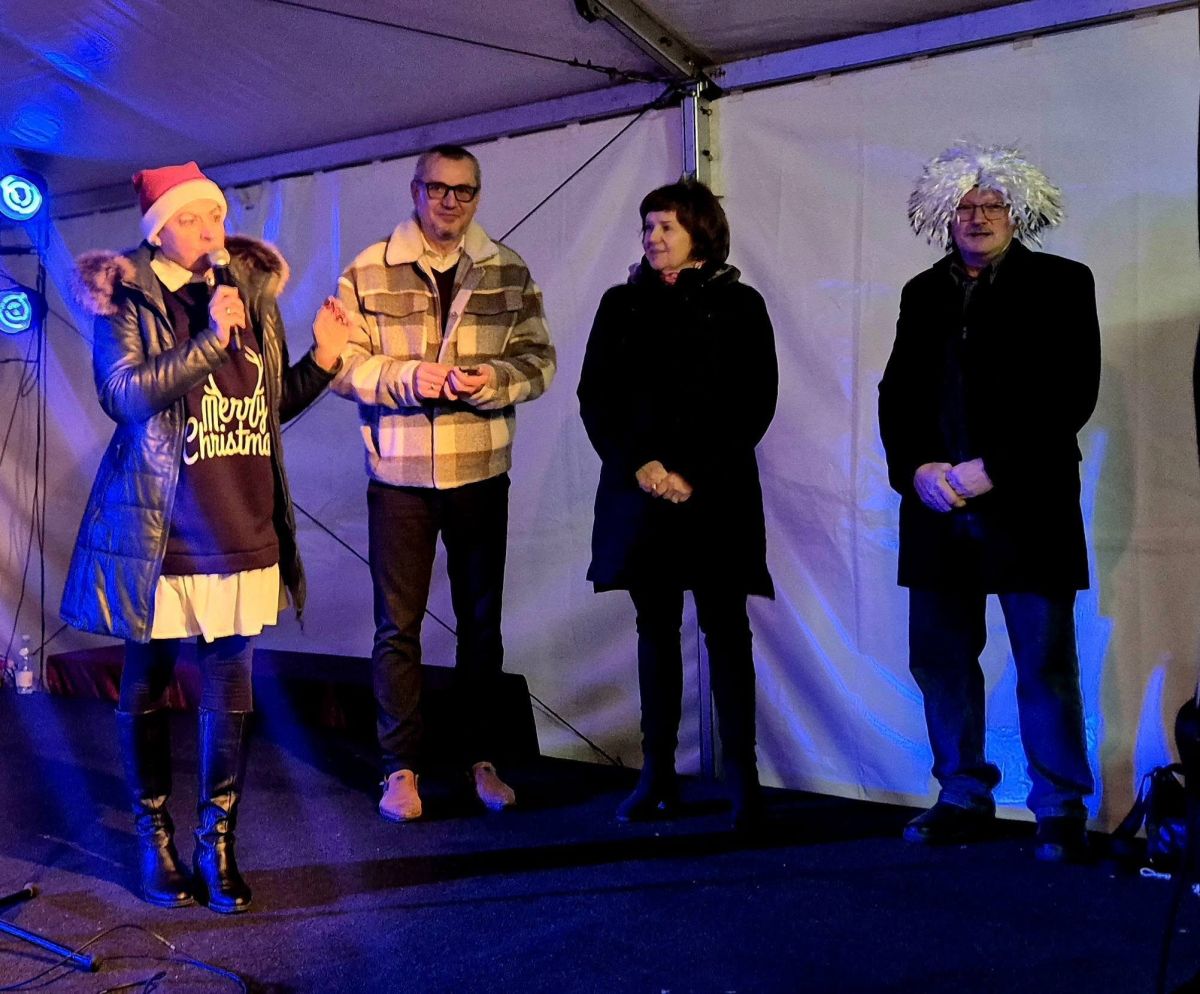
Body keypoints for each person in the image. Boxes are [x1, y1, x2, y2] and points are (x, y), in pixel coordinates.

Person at [62, 161, 350, 912]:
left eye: (216, 214)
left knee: (230, 684)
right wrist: (212, 340)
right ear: (159, 231)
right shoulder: (128, 296)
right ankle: (153, 838)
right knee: (148, 681)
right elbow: (124, 395)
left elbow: (263, 407)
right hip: (164, 527)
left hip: (242, 519)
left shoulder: (247, 292)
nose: (210, 229)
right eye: (190, 218)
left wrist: (323, 360)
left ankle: (216, 843)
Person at [878, 143, 1100, 862]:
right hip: (938, 507)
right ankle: (961, 795)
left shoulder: (1062, 283)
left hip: (1027, 505)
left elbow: (1071, 392)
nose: (978, 217)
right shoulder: (922, 292)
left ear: (1017, 212)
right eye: (965, 207)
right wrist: (915, 469)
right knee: (941, 660)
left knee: (1045, 662)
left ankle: (1059, 808)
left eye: (992, 205)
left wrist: (992, 470)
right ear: (945, 216)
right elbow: (897, 393)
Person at [331, 144, 555, 822]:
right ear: (415, 191)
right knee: (397, 627)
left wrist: (496, 381)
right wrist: (406, 377)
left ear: (477, 196)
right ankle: (399, 768)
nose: (450, 201)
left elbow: (540, 359)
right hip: (399, 474)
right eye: (438, 189)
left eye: (463, 190)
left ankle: (481, 760)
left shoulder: (507, 268)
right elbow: (336, 363)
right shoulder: (369, 267)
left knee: (480, 623)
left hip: (480, 470)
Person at [577, 179, 778, 829]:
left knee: (727, 629)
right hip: (640, 494)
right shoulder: (621, 304)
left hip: (715, 495)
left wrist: (692, 473)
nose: (653, 237)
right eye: (647, 226)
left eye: (666, 226)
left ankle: (742, 778)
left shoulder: (739, 304)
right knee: (655, 629)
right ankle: (657, 772)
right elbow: (596, 395)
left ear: (700, 231)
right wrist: (640, 464)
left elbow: (755, 399)